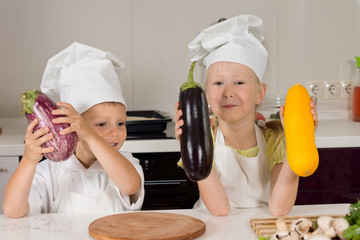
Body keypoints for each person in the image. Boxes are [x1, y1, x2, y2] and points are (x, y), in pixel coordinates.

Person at [175, 15, 319, 217]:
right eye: (218, 83)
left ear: (259, 93)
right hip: (214, 229)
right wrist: (192, 143)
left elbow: (279, 208)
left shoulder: (276, 138)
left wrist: (299, 139)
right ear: (206, 94)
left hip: (263, 228)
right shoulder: (207, 139)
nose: (228, 92)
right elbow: (220, 209)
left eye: (239, 83)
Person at [3, 42, 145, 218]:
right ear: (69, 125)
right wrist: (28, 160)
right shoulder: (50, 172)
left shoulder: (126, 162)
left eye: (121, 123)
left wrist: (91, 136)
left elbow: (130, 185)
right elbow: (12, 210)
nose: (114, 132)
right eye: (101, 124)